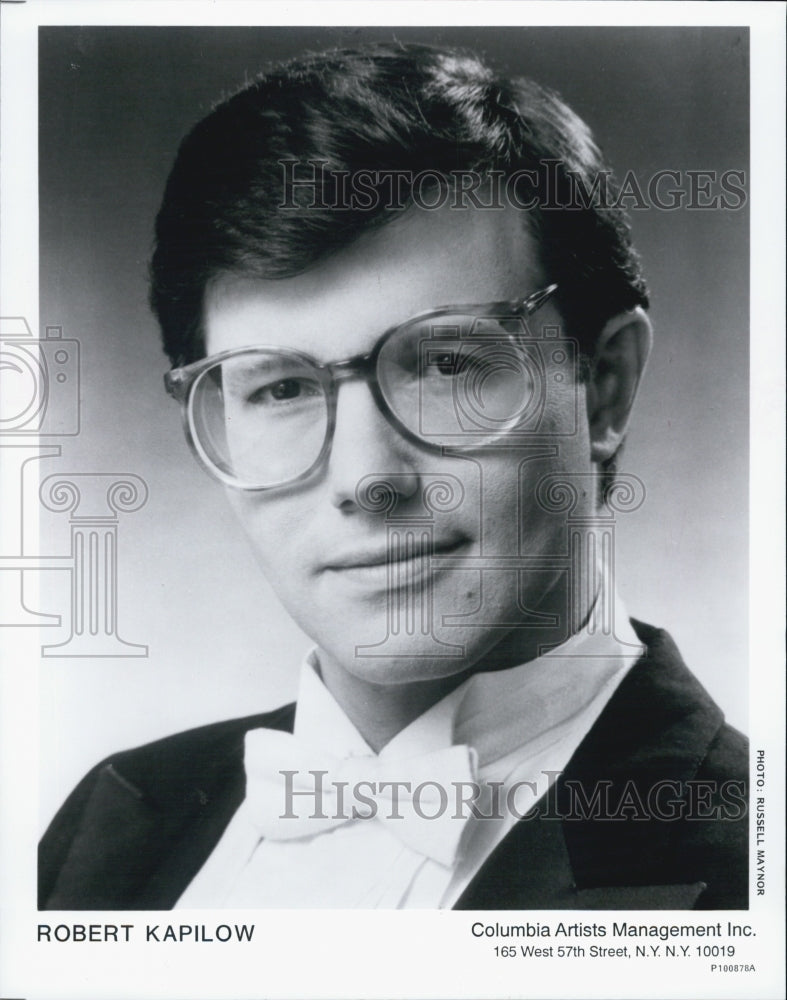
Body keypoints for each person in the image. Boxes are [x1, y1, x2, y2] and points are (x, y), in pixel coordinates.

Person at [38, 42, 747, 910]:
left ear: (603, 387)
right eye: (282, 386)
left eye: (446, 363)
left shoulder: (749, 860)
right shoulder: (105, 826)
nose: (366, 477)